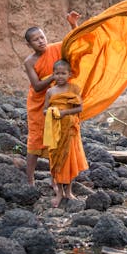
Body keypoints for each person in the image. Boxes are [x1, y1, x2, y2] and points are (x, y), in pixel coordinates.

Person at [24, 11, 80, 186]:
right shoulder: (30, 61)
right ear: (29, 44)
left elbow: (74, 43)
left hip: (57, 102)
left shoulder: (56, 48)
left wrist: (73, 25)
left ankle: (55, 179)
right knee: (35, 141)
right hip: (38, 104)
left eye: (42, 37)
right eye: (36, 39)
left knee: (55, 139)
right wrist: (54, 76)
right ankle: (30, 179)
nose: (41, 41)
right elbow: (37, 85)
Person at [43, 59, 88, 207]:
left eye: (63, 73)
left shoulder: (73, 89)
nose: (60, 76)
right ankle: (59, 192)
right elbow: (44, 110)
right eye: (57, 73)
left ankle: (69, 191)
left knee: (69, 160)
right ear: (53, 74)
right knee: (56, 159)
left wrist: (64, 113)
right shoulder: (50, 91)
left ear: (69, 74)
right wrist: (52, 112)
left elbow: (79, 108)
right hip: (55, 130)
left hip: (70, 130)